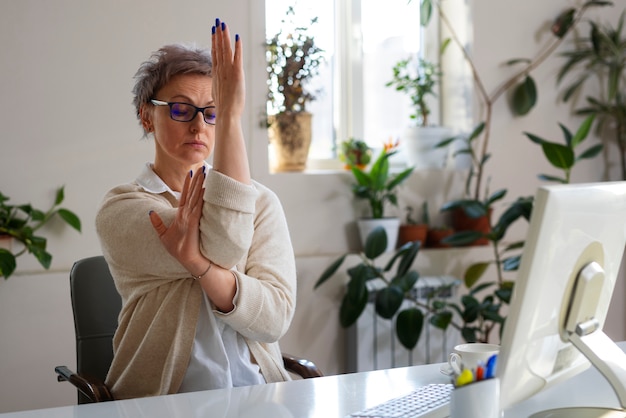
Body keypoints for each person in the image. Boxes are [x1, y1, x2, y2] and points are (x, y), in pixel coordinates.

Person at [95, 19, 297, 400]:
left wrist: (199, 267)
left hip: (259, 397)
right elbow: (225, 244)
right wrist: (234, 120)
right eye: (181, 110)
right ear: (146, 116)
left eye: (214, 111)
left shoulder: (262, 202)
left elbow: (273, 320)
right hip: (163, 402)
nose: (199, 126)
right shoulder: (120, 209)